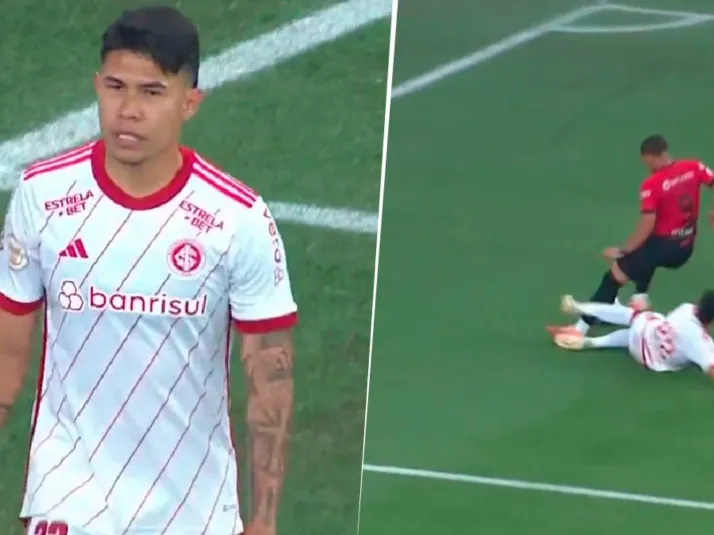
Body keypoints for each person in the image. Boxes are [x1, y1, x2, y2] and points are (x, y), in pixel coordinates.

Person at [0, 6, 296, 535]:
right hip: (69, 499)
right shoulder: (42, 195)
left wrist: (264, 518)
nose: (129, 110)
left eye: (152, 92)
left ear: (189, 102)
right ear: (97, 86)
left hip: (193, 511)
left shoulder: (237, 219)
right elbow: (6, 351)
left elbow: (270, 377)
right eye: (116, 87)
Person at [548, 134, 714, 339]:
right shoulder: (693, 167)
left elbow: (647, 223)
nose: (647, 167)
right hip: (685, 246)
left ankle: (580, 329)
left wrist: (624, 250)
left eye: (647, 162)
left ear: (652, 157)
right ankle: (638, 298)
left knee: (614, 276)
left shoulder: (652, 184)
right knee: (645, 254)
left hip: (663, 246)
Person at [550, 292, 714, 377]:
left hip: (644, 332)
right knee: (635, 330)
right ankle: (593, 342)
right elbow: (710, 368)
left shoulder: (686, 308)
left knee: (633, 316)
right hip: (648, 359)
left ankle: (578, 307)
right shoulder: (702, 343)